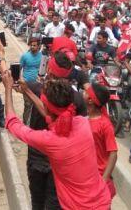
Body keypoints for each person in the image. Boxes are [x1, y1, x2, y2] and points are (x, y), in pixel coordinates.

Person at [2, 73, 112, 209]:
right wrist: (27, 91)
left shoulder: (50, 140)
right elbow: (52, 114)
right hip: (103, 202)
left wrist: (7, 89)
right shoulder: (83, 123)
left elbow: (13, 123)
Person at [15, 54, 89, 209]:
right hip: (63, 160)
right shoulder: (78, 99)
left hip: (38, 156)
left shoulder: (36, 88)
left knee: (37, 201)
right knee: (55, 203)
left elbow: (17, 86)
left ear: (50, 70)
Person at [84, 83, 118, 197]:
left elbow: (113, 153)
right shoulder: (85, 119)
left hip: (98, 175)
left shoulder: (105, 124)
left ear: (90, 100)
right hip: (86, 173)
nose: (83, 92)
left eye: (86, 92)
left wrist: (104, 180)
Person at [19, 38, 42, 124]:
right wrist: (20, 81)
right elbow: (19, 69)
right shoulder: (25, 56)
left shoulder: (42, 57)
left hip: (38, 85)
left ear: (38, 46)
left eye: (34, 45)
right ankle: (25, 123)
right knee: (28, 105)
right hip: (27, 84)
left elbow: (44, 69)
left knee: (37, 106)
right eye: (31, 45)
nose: (32, 47)